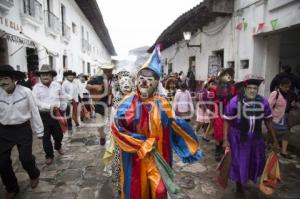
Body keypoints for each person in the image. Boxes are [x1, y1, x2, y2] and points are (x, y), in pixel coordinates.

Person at [111, 48, 202, 199]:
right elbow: (117, 129)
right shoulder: (127, 103)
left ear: (156, 83)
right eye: (141, 77)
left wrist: (189, 147)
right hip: (135, 160)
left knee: (160, 192)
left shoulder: (163, 103)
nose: (144, 81)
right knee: (136, 192)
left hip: (159, 158)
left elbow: (175, 124)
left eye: (149, 78)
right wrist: (141, 143)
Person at [223, 74, 280, 198]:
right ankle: (239, 186)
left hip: (256, 138)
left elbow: (268, 121)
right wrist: (225, 139)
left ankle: (246, 178)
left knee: (253, 160)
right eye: (250, 88)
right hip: (238, 138)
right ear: (245, 89)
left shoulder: (263, 102)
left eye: (255, 88)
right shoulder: (235, 101)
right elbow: (227, 121)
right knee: (239, 162)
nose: (252, 90)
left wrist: (275, 140)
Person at [0, 65, 43, 198]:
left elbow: (34, 111)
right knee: (2, 162)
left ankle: (34, 174)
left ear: (14, 79)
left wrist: (39, 131)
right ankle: (12, 187)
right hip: (4, 130)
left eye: (6, 78)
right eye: (0, 79)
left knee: (25, 158)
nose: (3, 82)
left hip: (22, 129)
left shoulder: (25, 92)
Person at [32, 65, 67, 165]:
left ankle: (58, 146)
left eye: (47, 74)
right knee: (45, 137)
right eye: (43, 75)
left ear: (52, 76)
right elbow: (35, 101)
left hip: (57, 114)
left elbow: (63, 97)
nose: (45, 76)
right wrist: (49, 107)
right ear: (40, 76)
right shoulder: (36, 88)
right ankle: (49, 155)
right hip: (43, 115)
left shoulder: (57, 85)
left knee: (59, 134)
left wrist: (63, 108)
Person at [210, 68, 236, 161]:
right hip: (219, 112)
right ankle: (218, 149)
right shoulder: (214, 87)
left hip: (231, 112)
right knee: (219, 132)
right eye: (225, 74)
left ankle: (227, 149)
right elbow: (212, 100)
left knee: (229, 131)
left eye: (229, 75)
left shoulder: (233, 87)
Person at [86, 64, 115, 146]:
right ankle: (102, 136)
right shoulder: (98, 78)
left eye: (109, 71)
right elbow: (87, 86)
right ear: (103, 71)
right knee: (99, 125)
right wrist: (96, 87)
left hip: (114, 104)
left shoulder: (116, 78)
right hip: (100, 104)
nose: (108, 72)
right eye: (106, 71)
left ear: (112, 71)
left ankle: (114, 142)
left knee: (114, 124)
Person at [269, 78, 296, 159]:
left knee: (286, 133)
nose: (287, 89)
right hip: (274, 118)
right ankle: (271, 153)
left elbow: (288, 105)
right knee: (273, 134)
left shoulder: (289, 94)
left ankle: (284, 152)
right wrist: (269, 117)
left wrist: (292, 105)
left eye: (288, 87)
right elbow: (269, 105)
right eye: (285, 87)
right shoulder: (275, 93)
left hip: (284, 118)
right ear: (280, 86)